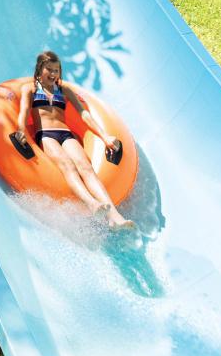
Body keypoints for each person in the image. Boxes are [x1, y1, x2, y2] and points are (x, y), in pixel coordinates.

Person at [14, 50, 134, 229]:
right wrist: (21, 131)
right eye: (49, 69)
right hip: (46, 135)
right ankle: (92, 203)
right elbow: (24, 112)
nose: (53, 74)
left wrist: (104, 136)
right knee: (67, 165)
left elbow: (84, 114)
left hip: (65, 134)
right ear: (40, 69)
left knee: (86, 167)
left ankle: (115, 216)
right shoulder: (30, 89)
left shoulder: (64, 90)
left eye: (56, 70)